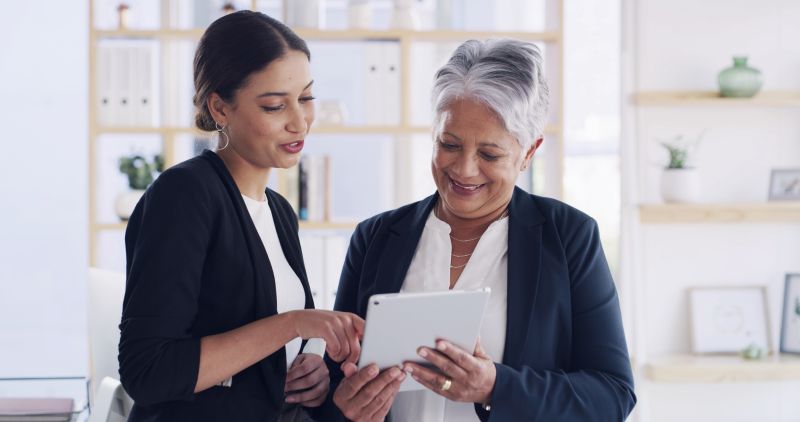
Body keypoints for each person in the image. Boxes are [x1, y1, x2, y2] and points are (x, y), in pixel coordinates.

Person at [322, 39, 636, 421]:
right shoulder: (375, 237)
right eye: (449, 144)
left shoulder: (570, 237)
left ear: (529, 153)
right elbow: (335, 385)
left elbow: (612, 396)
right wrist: (343, 407)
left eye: (490, 154)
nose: (464, 169)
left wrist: (494, 387)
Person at [118, 11, 364, 422]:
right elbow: (148, 371)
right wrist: (293, 325)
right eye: (274, 106)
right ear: (220, 108)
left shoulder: (279, 211)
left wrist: (311, 371)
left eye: (305, 98)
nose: (299, 121)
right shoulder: (185, 194)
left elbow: (267, 358)